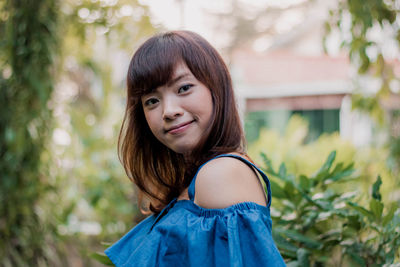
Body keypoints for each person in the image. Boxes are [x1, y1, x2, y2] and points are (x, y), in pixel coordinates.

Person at [105, 30, 286, 266]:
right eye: (152, 101)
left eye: (183, 88)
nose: (169, 111)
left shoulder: (220, 174)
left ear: (215, 88)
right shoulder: (195, 181)